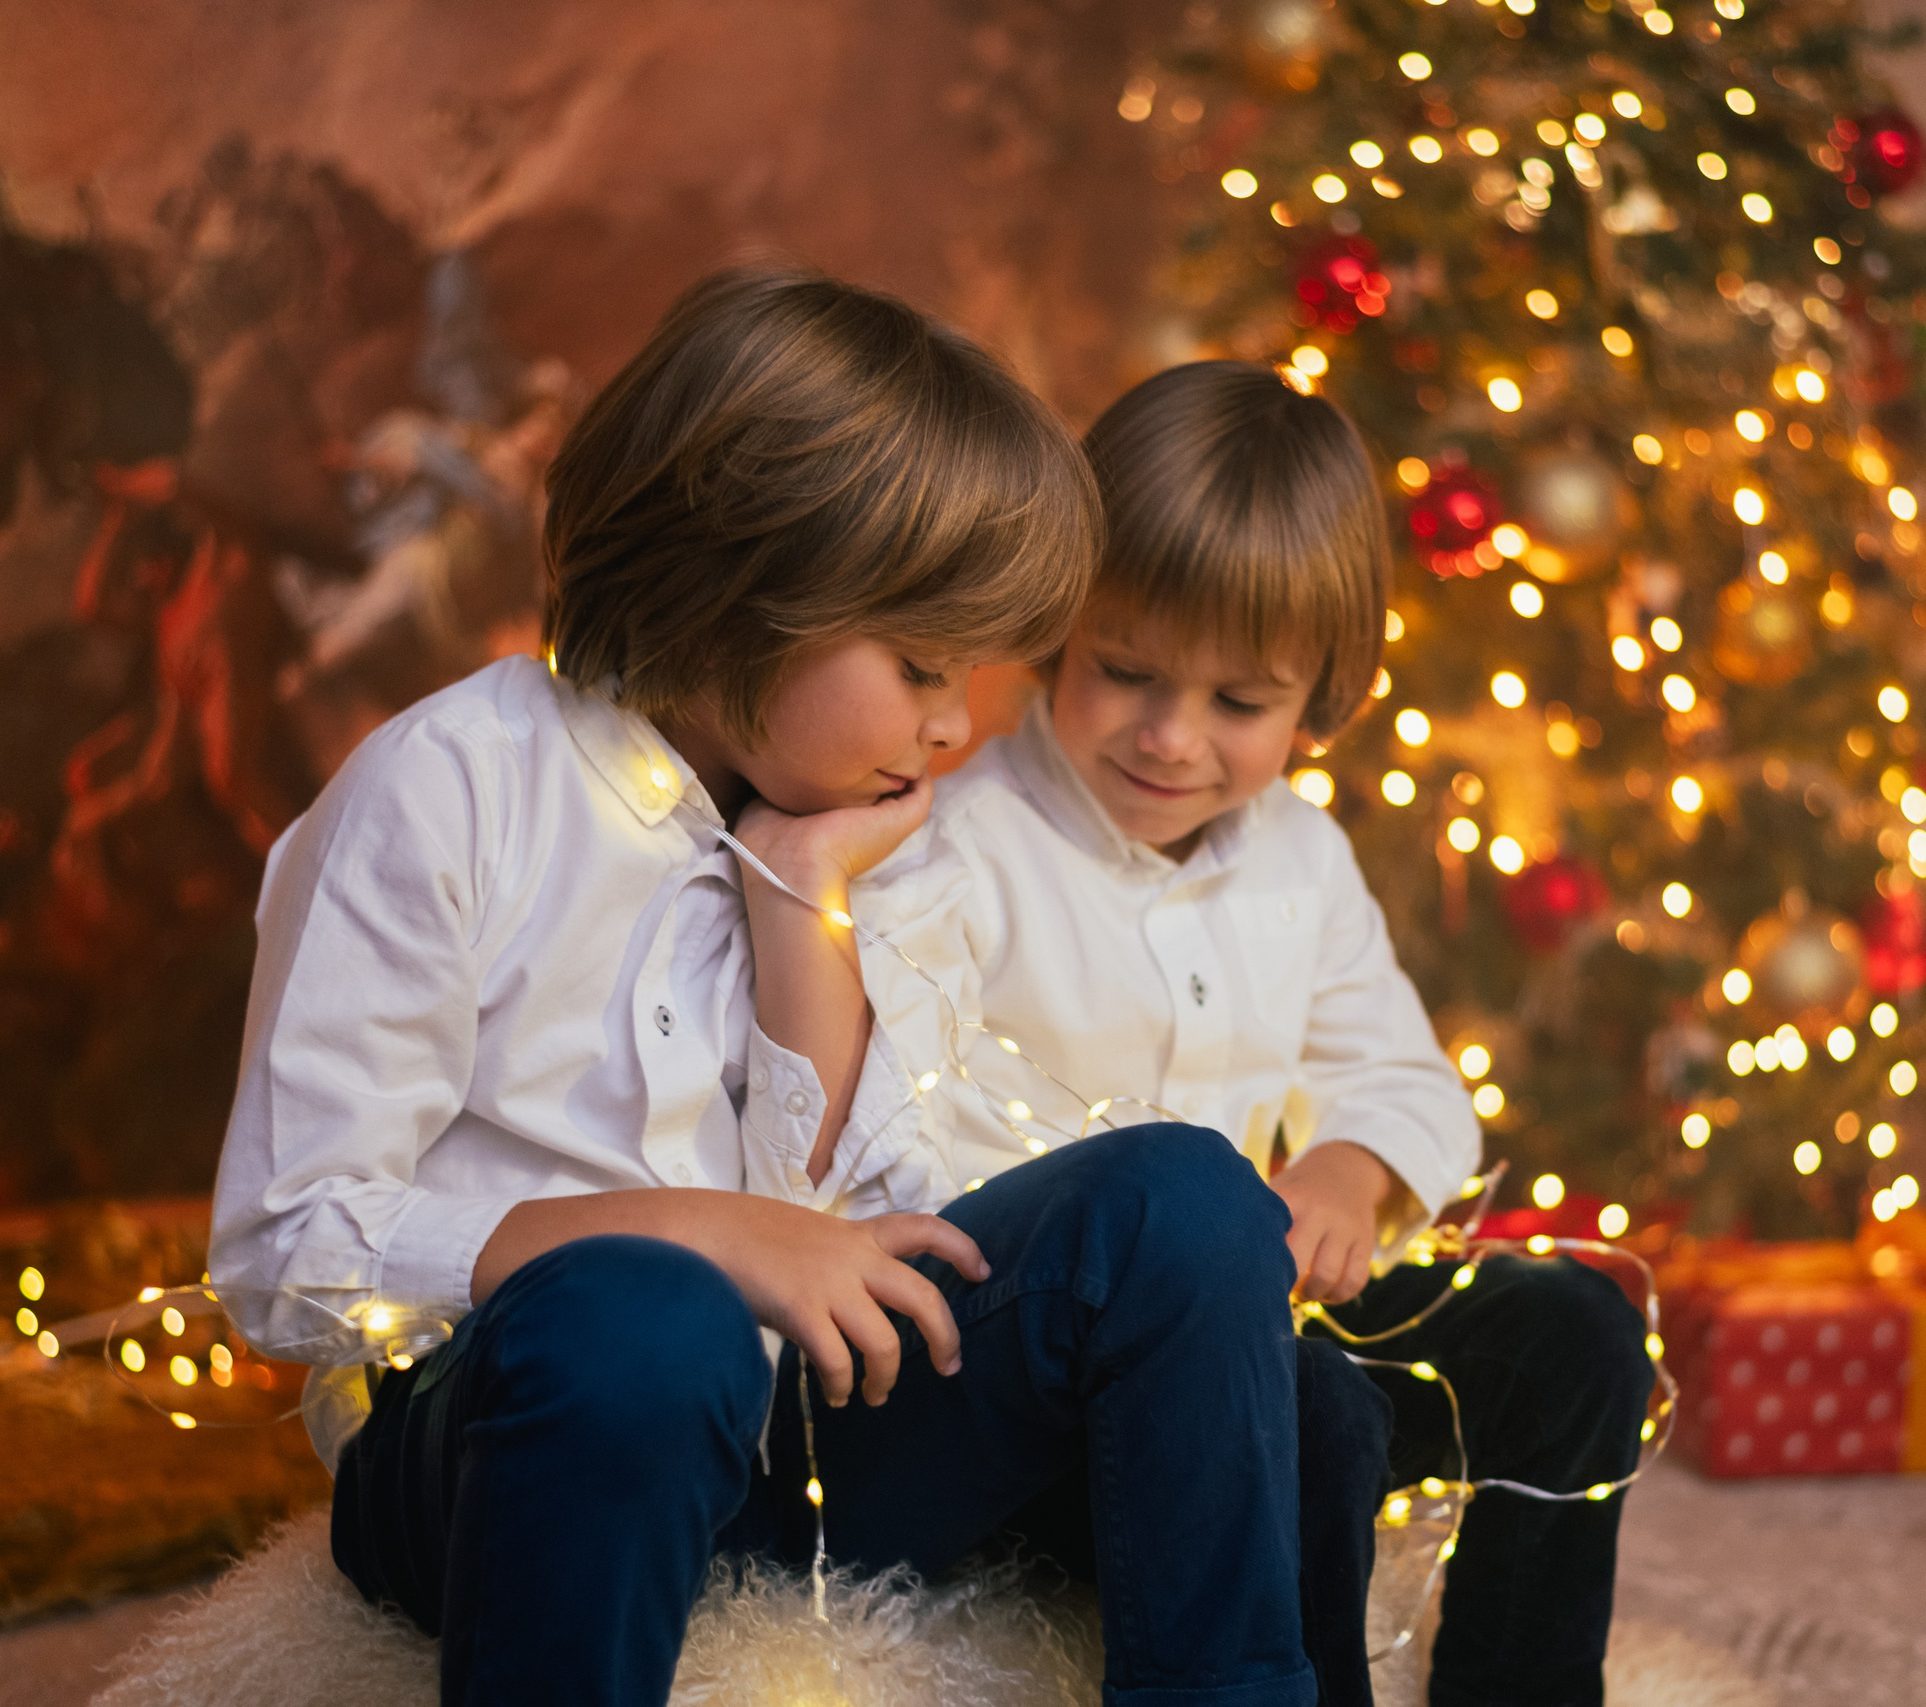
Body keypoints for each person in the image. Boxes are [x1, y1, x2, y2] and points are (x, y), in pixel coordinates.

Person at [210, 275, 1336, 1707]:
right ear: (739, 593)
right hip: (498, 1445)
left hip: (800, 1435)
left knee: (1186, 1199)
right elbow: (287, 1243)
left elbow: (878, 1213)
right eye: (925, 666)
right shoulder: (450, 791)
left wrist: (802, 904)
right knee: (652, 1312)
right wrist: (699, 1234)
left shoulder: (870, 826)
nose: (956, 725)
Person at [852, 361, 1658, 1707]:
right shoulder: (956, 845)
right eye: (1127, 674)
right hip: (1080, 1393)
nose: (1172, 739)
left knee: (1577, 1328)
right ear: (1059, 628)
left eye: (1241, 704)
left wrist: (1351, 1170)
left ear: (1320, 697)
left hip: (1273, 1325)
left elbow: (1405, 1078)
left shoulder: (1301, 856)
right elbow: (916, 1158)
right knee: (1312, 1411)